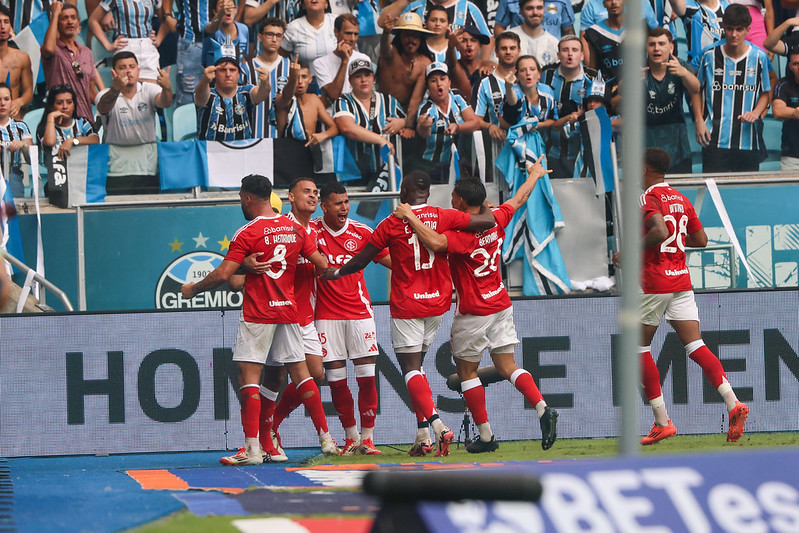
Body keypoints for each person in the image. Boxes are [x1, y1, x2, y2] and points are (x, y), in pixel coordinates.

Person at [324, 171, 496, 457]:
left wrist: (337, 272)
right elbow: (487, 221)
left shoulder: (391, 223)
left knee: (410, 370)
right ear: (427, 193)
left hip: (408, 306)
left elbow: (363, 259)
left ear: (403, 191)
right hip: (437, 304)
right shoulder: (443, 216)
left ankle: (439, 426)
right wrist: (486, 204)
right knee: (419, 369)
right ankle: (422, 434)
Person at [393, 159, 559, 453]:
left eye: (454, 196)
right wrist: (534, 174)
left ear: (460, 200)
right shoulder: (496, 218)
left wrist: (410, 217)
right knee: (508, 366)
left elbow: (433, 241)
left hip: (474, 311)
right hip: (501, 303)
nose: (451, 199)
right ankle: (542, 407)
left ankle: (485, 436)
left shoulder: (462, 235)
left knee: (467, 372)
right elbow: (519, 198)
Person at [181, 174, 334, 466]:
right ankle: (326, 440)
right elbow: (322, 263)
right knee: (302, 374)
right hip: (289, 311)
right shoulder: (295, 229)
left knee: (248, 379)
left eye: (241, 199)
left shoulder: (247, 233)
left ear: (248, 199)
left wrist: (193, 288)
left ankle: (252, 450)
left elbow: (225, 276)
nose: (241, 203)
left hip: (259, 313)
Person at [612, 148, 749, 445]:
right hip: (681, 280)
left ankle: (662, 421)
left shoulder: (648, 198)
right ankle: (733, 402)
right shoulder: (681, 199)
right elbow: (701, 239)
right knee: (696, 345)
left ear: (644, 170)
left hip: (653, 282)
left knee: (636, 348)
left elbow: (659, 231)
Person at [250, 177, 340, 459]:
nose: (313, 197)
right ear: (290, 197)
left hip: (305, 316)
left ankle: (271, 426)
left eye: (316, 193)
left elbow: (324, 267)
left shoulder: (315, 231)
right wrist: (246, 265)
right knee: (278, 376)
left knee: (315, 374)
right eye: (307, 192)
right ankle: (270, 433)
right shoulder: (279, 228)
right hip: (279, 315)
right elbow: (246, 266)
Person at [313, 182, 392, 455]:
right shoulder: (310, 232)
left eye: (346, 202)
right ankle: (350, 436)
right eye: (338, 203)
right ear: (324, 206)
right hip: (325, 316)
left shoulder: (362, 232)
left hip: (359, 314)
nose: (344, 207)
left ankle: (368, 439)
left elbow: (394, 261)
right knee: (336, 381)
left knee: (367, 379)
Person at [694, 4, 771, 173]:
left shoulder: (759, 57)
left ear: (748, 29)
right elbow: (696, 89)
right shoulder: (709, 55)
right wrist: (699, 121)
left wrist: (756, 113)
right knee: (713, 192)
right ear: (723, 27)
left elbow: (766, 93)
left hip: (747, 139)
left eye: (739, 29)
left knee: (746, 196)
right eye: (729, 29)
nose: (734, 34)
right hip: (714, 138)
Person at [333, 58, 405, 186]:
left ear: (374, 78)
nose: (363, 80)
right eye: (357, 76)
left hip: (385, 171)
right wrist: (381, 140)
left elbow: (410, 125)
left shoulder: (389, 101)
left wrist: (403, 122)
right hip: (355, 174)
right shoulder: (343, 101)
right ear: (350, 81)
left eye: (367, 75)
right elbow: (347, 128)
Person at [644, 28, 699, 174]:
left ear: (671, 47)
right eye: (652, 44)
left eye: (662, 44)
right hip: (647, 139)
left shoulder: (679, 65)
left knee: (679, 192)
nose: (656, 48)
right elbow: (620, 92)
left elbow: (696, 89)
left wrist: (684, 73)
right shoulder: (639, 68)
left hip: (677, 140)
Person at [414, 61, 479, 184]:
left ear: (449, 82)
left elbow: (475, 123)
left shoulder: (457, 96)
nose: (439, 83)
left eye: (442, 79)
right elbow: (423, 133)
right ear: (428, 87)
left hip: (459, 162)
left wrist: (458, 127)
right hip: (432, 166)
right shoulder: (426, 108)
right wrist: (424, 125)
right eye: (433, 81)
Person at [542, 35, 596, 178]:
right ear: (559, 55)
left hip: (582, 151)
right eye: (565, 50)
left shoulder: (593, 78)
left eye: (574, 50)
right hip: (550, 151)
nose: (570, 54)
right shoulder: (545, 76)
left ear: (582, 55)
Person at [41, 1, 105, 123]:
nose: (70, 21)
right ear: (57, 24)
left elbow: (91, 90)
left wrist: (105, 103)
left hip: (85, 119)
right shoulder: (55, 50)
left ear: (78, 22)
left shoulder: (86, 52)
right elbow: (48, 48)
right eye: (64, 18)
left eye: (73, 18)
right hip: (60, 119)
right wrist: (54, 14)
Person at [195, 44, 271, 141]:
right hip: (210, 153)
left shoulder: (245, 92)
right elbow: (200, 97)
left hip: (242, 151)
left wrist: (265, 83)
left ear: (238, 73)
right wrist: (204, 81)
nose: (228, 74)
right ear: (215, 73)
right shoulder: (208, 93)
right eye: (223, 70)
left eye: (232, 70)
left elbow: (261, 94)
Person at [376, 12, 435, 135]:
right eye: (407, 35)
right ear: (400, 36)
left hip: (402, 115)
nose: (411, 40)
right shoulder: (391, 54)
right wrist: (386, 33)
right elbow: (384, 50)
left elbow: (416, 100)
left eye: (415, 36)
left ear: (421, 38)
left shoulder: (424, 63)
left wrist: (407, 124)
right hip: (378, 109)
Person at [96, 51, 173, 144]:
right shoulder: (104, 94)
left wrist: (167, 88)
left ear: (138, 71)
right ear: (113, 73)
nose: (128, 71)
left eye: (132, 67)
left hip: (146, 151)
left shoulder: (148, 89)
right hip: (115, 152)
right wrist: (116, 90)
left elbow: (165, 103)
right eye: (122, 68)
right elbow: (103, 108)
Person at [379, 0, 493, 61]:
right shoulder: (416, 5)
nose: (438, 23)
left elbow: (488, 38)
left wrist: (484, 62)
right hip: (419, 70)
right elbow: (382, 23)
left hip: (456, 72)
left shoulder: (469, 7)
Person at [239, 18, 293, 139]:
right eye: (269, 34)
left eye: (278, 35)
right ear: (259, 37)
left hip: (282, 139)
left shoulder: (289, 67)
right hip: (251, 136)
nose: (274, 39)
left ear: (282, 39)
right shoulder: (247, 68)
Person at [88, 0, 167, 81]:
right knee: (126, 88)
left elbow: (166, 19)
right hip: (125, 46)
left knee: (154, 89)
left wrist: (158, 39)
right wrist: (108, 46)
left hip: (148, 48)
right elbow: (93, 20)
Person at [37, 84, 100, 180]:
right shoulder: (45, 127)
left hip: (81, 178)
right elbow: (50, 142)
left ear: (74, 105)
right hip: (56, 181)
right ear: (52, 106)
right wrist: (50, 118)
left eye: (69, 102)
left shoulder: (82, 123)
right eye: (59, 103)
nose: (65, 107)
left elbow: (95, 139)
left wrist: (72, 141)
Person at [313, 14, 372, 109]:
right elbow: (334, 94)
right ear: (336, 32)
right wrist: (345, 61)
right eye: (348, 33)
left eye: (356, 34)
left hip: (358, 114)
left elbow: (367, 93)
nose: (352, 39)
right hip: (332, 116)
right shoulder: (320, 63)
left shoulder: (364, 58)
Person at [161, 0, 213, 107]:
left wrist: (238, 18)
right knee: (188, 98)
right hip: (190, 42)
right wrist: (167, 15)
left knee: (219, 93)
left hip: (218, 43)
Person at [275, 61, 339, 146]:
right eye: (296, 77)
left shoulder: (314, 100)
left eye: (304, 77)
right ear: (290, 79)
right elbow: (286, 97)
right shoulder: (282, 99)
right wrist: (293, 79)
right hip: (286, 151)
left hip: (308, 151)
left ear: (310, 79)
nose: (300, 81)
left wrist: (323, 135)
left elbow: (334, 127)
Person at [474, 32, 522, 142]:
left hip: (524, 146)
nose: (508, 52)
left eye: (512, 48)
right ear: (496, 52)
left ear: (519, 51)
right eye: (503, 48)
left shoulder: (527, 80)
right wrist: (490, 126)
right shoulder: (484, 82)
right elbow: (475, 119)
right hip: (495, 145)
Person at [502, 55, 557, 151]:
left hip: (542, 146)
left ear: (539, 74)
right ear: (517, 76)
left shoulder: (547, 91)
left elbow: (554, 120)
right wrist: (508, 87)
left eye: (532, 69)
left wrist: (538, 125)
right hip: (516, 146)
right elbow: (513, 103)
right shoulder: (513, 91)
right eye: (523, 70)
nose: (528, 73)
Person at [279, 0, 337, 78]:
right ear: (303, 5)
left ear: (326, 4)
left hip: (335, 81)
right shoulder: (293, 28)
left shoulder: (336, 22)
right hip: (304, 84)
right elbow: (281, 57)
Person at [0, 82, 33, 198]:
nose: (2, 103)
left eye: (6, 99)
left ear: (11, 101)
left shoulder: (21, 126)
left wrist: (23, 145)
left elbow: (31, 160)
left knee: (14, 212)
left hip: (13, 176)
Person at [0, 5, 33, 120]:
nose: (2, 26)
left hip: (13, 120)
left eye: (6, 22)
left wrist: (19, 101)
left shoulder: (22, 58)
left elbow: (29, 91)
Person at [582, 0, 626, 84]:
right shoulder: (594, 32)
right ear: (603, 3)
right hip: (609, 89)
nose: (614, 2)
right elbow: (593, 70)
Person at [507, 0, 559, 68]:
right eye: (530, 8)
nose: (535, 12)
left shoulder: (554, 43)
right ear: (521, 12)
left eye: (539, 8)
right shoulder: (507, 38)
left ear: (544, 10)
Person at [771, 45, 799, 170]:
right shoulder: (783, 84)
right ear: (790, 66)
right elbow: (777, 111)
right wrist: (795, 113)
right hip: (792, 156)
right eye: (796, 64)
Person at [682, 0, 728, 70]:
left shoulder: (726, 6)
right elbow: (677, 6)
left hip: (723, 65)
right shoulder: (689, 6)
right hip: (697, 67)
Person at [201, 0, 249, 67]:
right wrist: (220, 14)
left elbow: (243, 58)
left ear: (235, 9)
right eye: (221, 7)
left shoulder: (243, 29)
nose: (227, 10)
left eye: (230, 7)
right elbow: (212, 28)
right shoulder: (209, 26)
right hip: (214, 75)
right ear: (215, 12)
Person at [494, 0, 576, 39]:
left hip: (551, 52)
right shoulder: (509, 1)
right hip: (519, 53)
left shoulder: (562, 1)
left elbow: (568, 30)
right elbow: (500, 26)